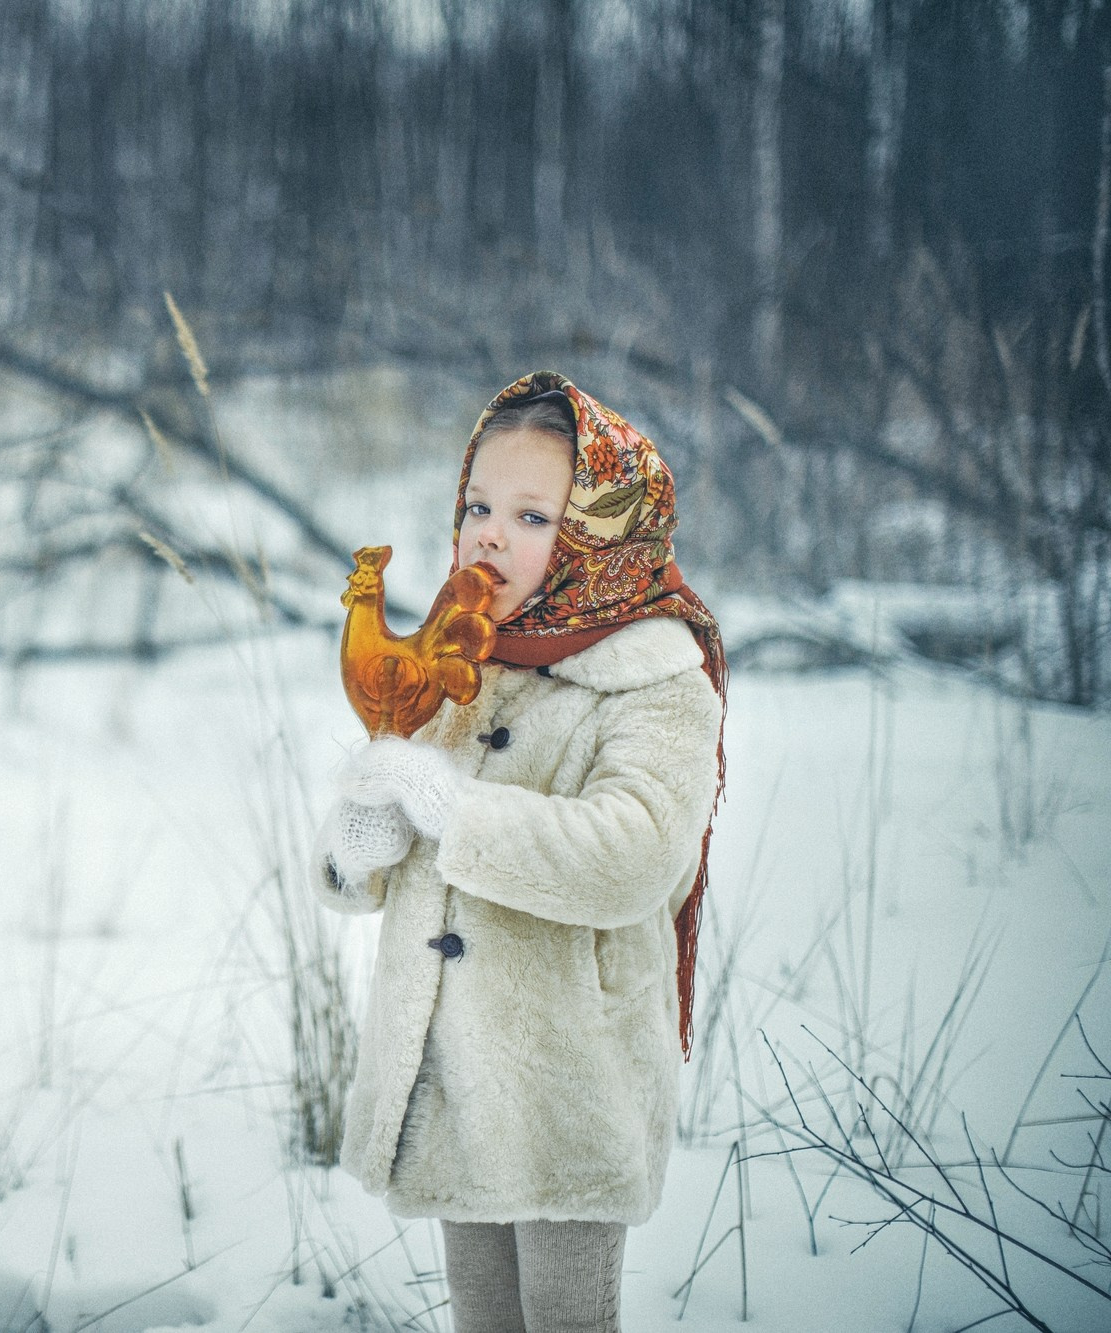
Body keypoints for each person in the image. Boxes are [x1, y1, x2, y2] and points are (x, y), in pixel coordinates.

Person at [311, 371, 727, 1333]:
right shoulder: (463, 662)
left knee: (565, 1320)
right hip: (454, 1076)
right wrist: (364, 837)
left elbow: (632, 853)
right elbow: (384, 855)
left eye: (533, 515)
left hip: (567, 1081)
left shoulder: (656, 684)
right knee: (484, 1321)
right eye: (477, 505)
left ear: (599, 537)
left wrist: (454, 810)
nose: (489, 533)